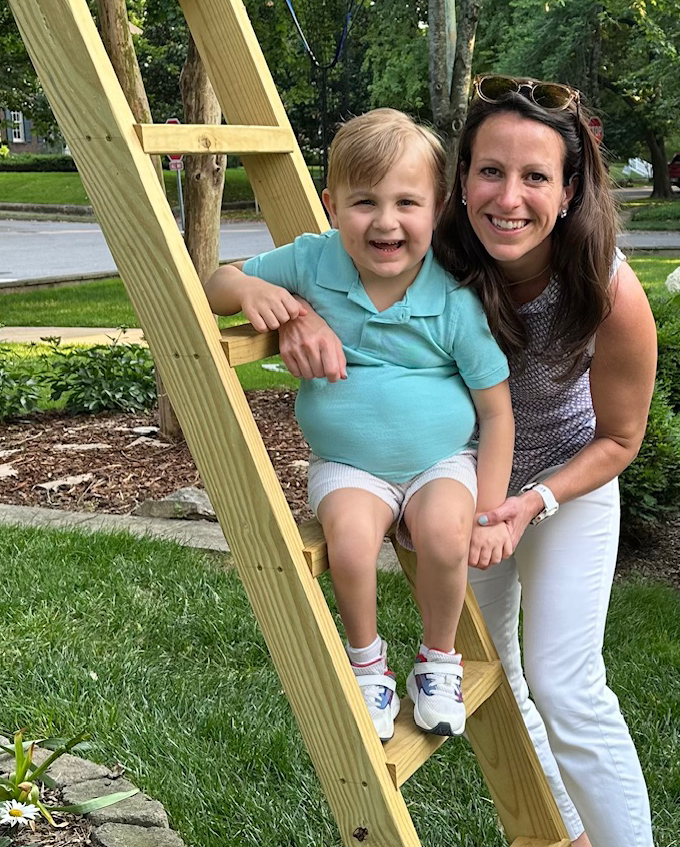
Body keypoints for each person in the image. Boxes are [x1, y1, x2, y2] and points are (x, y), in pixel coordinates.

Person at [277, 78, 658, 847]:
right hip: (453, 480)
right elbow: (338, 274)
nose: (508, 197)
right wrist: (299, 312)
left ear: (570, 187)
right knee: (499, 683)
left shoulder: (605, 286)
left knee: (564, 684)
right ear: (460, 180)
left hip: (564, 483)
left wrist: (530, 503)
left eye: (535, 176)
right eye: (490, 171)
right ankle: (566, 836)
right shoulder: (428, 248)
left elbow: (619, 439)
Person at [203, 108, 515, 742]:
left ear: (437, 208)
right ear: (332, 204)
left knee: (445, 538)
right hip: (349, 467)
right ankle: (367, 663)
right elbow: (214, 280)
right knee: (348, 545)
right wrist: (254, 296)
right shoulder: (314, 263)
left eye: (407, 202)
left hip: (441, 462)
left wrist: (489, 510)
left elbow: (496, 410)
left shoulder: (454, 298)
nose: (385, 221)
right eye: (364, 202)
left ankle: (438, 661)